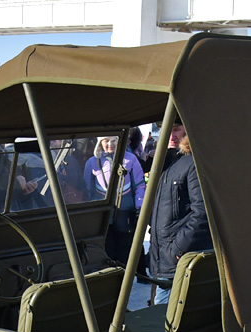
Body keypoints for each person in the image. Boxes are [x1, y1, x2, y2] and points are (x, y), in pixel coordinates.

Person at [147, 121, 211, 305]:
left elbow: (202, 213)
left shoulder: (191, 163)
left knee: (165, 319)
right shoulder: (164, 162)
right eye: (167, 131)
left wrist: (178, 248)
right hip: (164, 257)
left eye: (176, 130)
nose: (171, 136)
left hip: (178, 258)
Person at [84, 136, 145, 262]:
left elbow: (139, 185)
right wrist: (90, 210)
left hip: (125, 212)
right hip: (102, 214)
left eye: (113, 140)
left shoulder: (131, 159)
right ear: (100, 142)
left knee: (125, 248)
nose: (110, 144)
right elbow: (87, 189)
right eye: (106, 140)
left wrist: (140, 207)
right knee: (107, 248)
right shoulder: (92, 162)